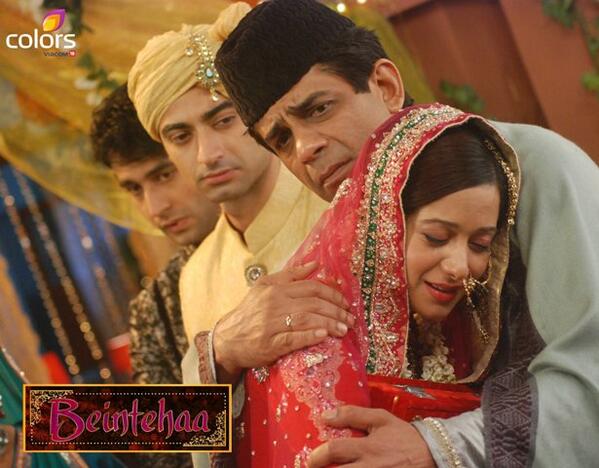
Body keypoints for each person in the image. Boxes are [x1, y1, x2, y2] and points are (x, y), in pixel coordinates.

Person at [214, 0, 599, 466]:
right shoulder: (307, 259)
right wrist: (217, 354)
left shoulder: (531, 166)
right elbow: (146, 433)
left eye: (319, 109)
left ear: (385, 86)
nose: (305, 147)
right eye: (280, 139)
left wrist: (441, 447)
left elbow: (591, 370)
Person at [91, 84, 219, 468]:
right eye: (134, 189)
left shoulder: (313, 237)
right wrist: (41, 423)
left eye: (164, 174)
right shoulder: (156, 306)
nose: (154, 208)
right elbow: (165, 455)